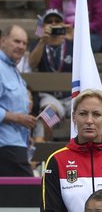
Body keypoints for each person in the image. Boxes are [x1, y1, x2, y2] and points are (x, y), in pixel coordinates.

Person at [28, 9, 73, 140]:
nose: (53, 24)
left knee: (86, 112)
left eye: (57, 21)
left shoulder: (72, 42)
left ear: (63, 24)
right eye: (49, 21)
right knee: (47, 115)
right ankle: (45, 153)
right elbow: (32, 64)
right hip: (50, 97)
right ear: (43, 26)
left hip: (71, 96)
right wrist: (42, 40)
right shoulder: (38, 43)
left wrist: (76, 38)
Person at [0, 25, 35, 176]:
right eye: (16, 41)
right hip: (6, 146)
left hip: (17, 144)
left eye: (24, 43)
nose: (21, 46)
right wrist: (17, 118)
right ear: (2, 41)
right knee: (29, 195)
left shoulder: (14, 71)